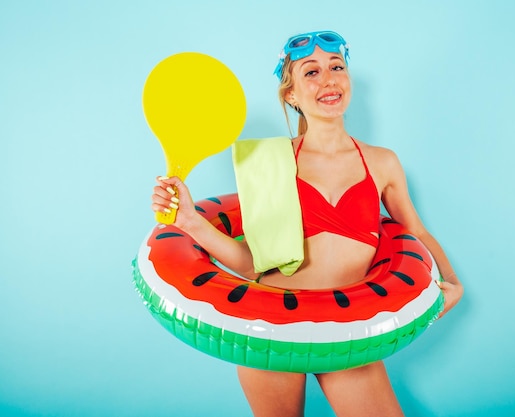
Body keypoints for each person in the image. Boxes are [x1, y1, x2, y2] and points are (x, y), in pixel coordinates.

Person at [151, 30, 463, 417]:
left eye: (336, 67)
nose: (328, 80)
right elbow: (253, 264)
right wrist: (190, 221)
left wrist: (451, 281)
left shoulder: (382, 162)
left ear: (348, 79)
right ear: (292, 95)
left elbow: (415, 232)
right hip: (271, 326)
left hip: (348, 330)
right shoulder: (267, 162)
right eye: (310, 72)